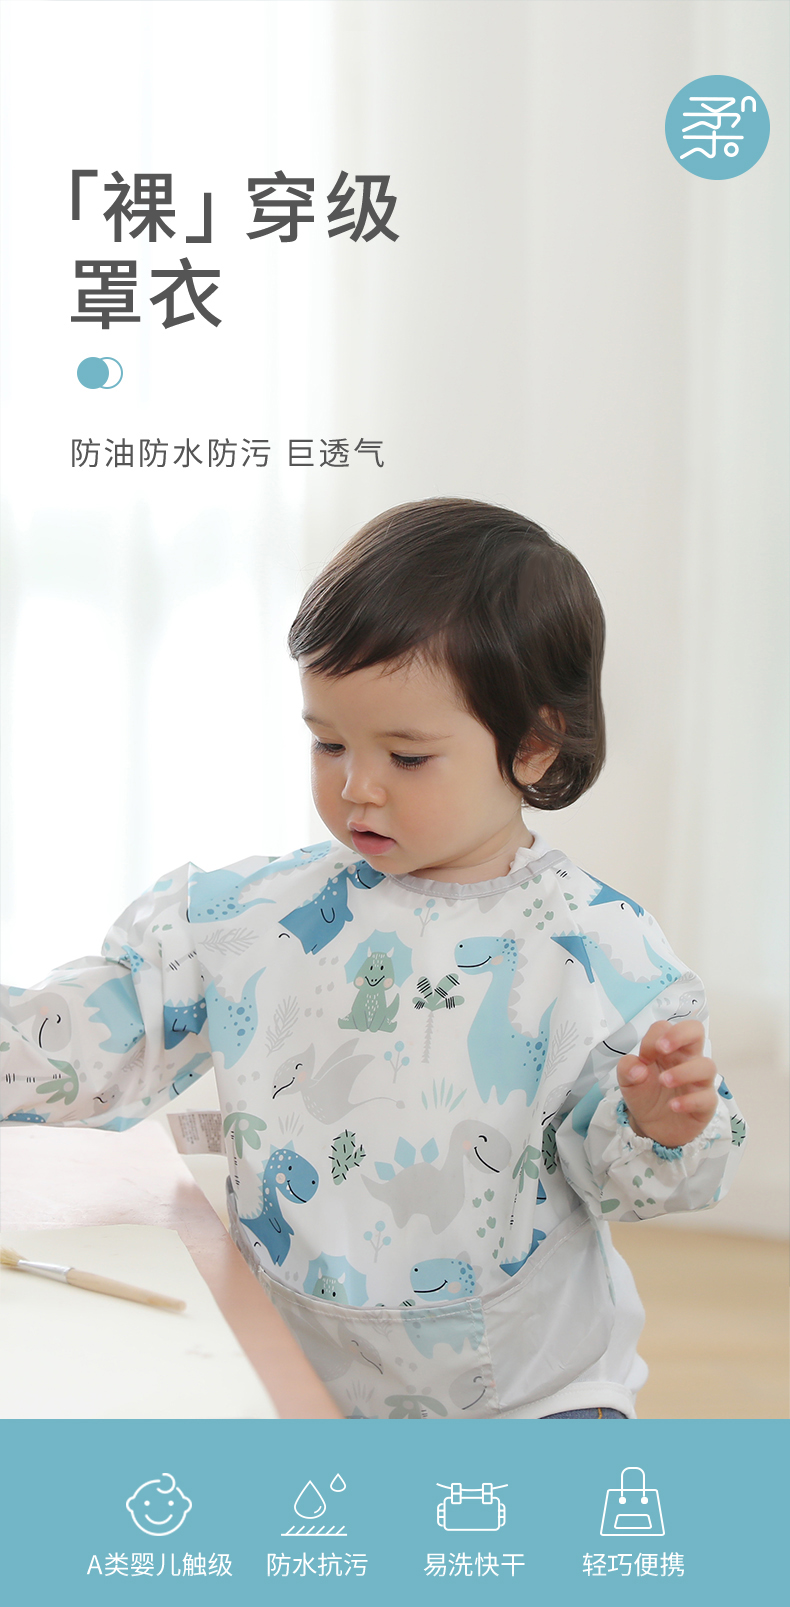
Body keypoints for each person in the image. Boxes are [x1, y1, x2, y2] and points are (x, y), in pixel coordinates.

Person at [0, 498, 745, 1420]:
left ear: (533, 744)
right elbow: (98, 1028)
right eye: (328, 742)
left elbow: (625, 1174)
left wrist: (659, 1124)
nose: (357, 785)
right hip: (298, 1367)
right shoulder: (257, 916)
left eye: (408, 756)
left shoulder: (593, 947)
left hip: (534, 1396)